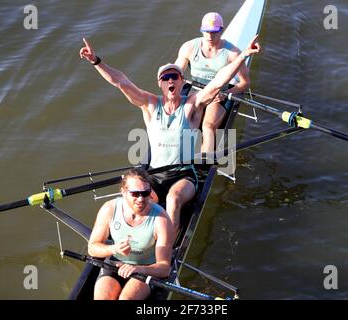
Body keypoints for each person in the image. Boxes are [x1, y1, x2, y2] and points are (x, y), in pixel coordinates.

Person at [79, 34, 261, 236]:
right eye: (166, 78)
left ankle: (167, 255)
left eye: (175, 76)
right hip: (155, 174)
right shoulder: (149, 103)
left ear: (182, 81)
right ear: (160, 83)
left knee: (173, 199)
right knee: (136, 204)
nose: (170, 80)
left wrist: (243, 54)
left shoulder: (192, 104)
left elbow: (218, 82)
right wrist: (96, 61)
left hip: (184, 175)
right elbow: (121, 82)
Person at [88, 168, 173, 300]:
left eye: (145, 193)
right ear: (123, 192)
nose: (141, 199)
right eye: (135, 193)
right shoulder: (109, 209)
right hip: (116, 263)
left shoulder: (161, 219)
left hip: (147, 268)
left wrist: (139, 269)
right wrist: (114, 248)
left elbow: (164, 269)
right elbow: (92, 248)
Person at [175, 12, 252, 153]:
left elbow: (245, 83)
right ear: (201, 29)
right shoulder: (189, 47)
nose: (210, 36)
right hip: (196, 92)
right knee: (180, 122)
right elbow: (176, 71)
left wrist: (226, 93)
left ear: (221, 31)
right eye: (206, 31)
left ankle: (204, 163)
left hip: (218, 95)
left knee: (208, 127)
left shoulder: (233, 53)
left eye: (214, 32)